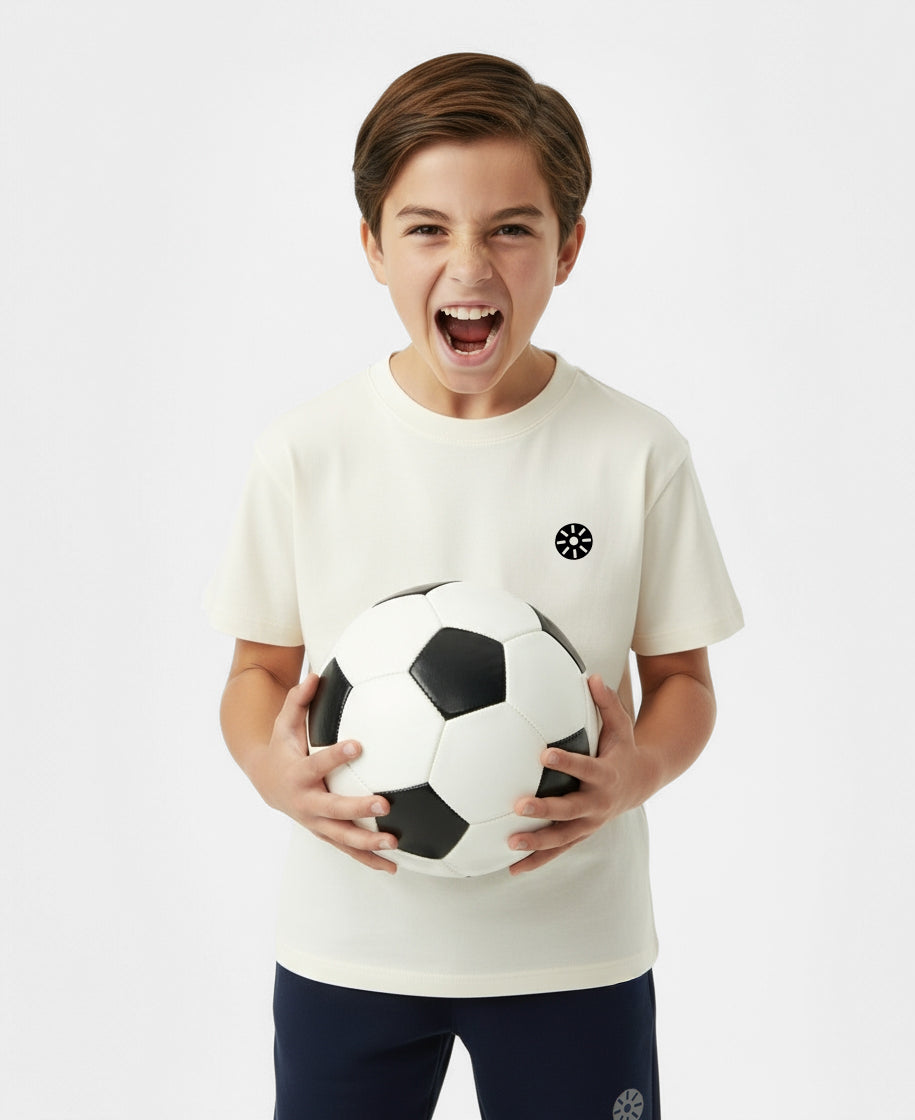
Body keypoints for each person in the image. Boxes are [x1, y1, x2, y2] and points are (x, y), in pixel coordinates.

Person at [205, 52, 743, 1120]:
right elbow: (257, 672)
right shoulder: (306, 452)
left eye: (509, 227)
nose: (469, 264)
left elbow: (681, 677)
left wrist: (635, 773)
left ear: (567, 247)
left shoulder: (634, 451)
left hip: (570, 951)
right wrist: (275, 775)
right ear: (371, 245)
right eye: (426, 228)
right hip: (349, 945)